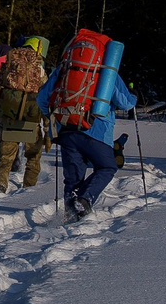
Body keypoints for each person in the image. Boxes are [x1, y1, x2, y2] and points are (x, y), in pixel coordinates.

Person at [41, 45, 137, 218]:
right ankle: (85, 199)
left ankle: (70, 218)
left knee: (73, 179)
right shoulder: (108, 72)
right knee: (107, 166)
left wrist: (55, 116)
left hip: (66, 130)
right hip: (96, 131)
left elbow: (42, 98)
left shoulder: (64, 68)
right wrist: (133, 96)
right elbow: (125, 103)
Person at [0, 34, 48, 193]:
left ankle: (0, 186)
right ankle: (28, 189)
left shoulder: (8, 64)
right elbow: (45, 97)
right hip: (31, 120)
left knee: (5, 159)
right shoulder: (39, 69)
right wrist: (48, 127)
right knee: (33, 159)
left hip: (8, 118)